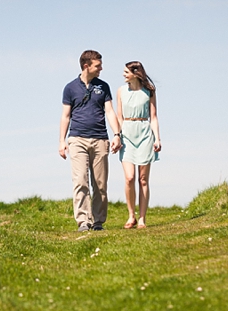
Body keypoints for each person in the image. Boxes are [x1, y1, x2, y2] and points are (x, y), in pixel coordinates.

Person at [59, 50, 122, 232]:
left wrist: (116, 134)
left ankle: (98, 222)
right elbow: (65, 116)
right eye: (98, 65)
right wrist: (61, 141)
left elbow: (110, 111)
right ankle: (83, 221)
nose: (101, 68)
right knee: (80, 181)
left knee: (100, 184)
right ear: (87, 66)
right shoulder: (70, 88)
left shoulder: (103, 86)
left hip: (100, 139)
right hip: (77, 138)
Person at [117, 61, 161, 229]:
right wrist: (117, 136)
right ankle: (131, 215)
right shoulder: (121, 91)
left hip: (144, 132)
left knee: (143, 179)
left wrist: (157, 138)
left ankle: (142, 218)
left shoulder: (149, 91)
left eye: (126, 71)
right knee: (129, 177)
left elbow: (154, 117)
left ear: (136, 73)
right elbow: (119, 116)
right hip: (127, 133)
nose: (123, 74)